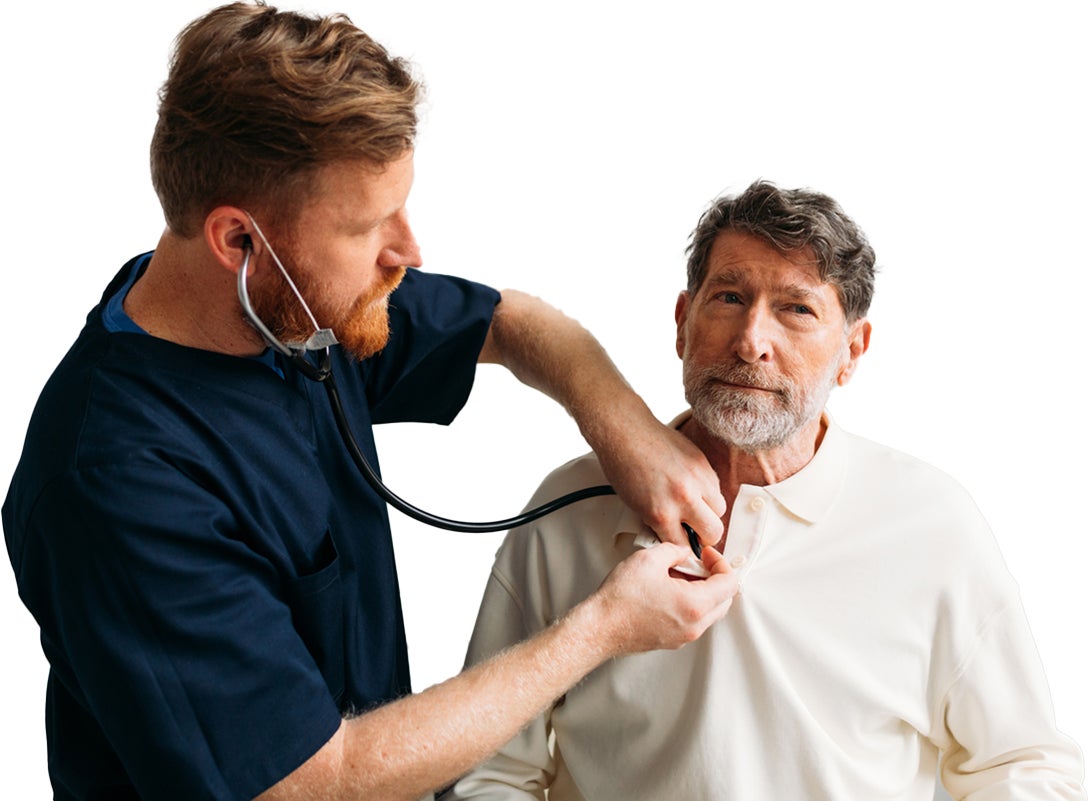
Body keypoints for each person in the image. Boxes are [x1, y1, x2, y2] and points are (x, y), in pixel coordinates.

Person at [0, 3, 741, 800]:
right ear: (237, 241)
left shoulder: (288, 311)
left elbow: (513, 322)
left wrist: (627, 428)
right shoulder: (116, 484)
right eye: (365, 226)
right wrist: (602, 629)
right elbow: (316, 780)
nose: (409, 252)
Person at [443, 180, 1087, 800]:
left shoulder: (933, 524)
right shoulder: (567, 507)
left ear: (852, 351)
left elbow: (1025, 763)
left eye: (797, 309)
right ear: (681, 321)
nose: (752, 341)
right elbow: (486, 773)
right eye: (728, 297)